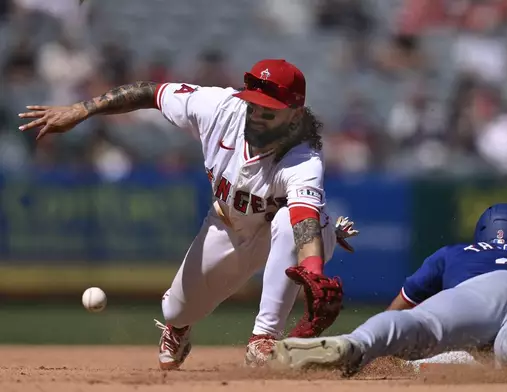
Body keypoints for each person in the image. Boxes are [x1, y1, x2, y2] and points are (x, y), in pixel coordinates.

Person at [18, 59, 359, 369]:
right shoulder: (217, 107)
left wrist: (313, 271)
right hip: (228, 225)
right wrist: (82, 109)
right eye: (253, 104)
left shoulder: (304, 157)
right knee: (176, 310)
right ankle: (179, 329)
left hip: (292, 232)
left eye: (268, 111)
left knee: (286, 222)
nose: (256, 115)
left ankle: (263, 339)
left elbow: (302, 219)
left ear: (295, 115)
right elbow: (151, 92)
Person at [268, 203, 507, 378]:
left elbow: (397, 311)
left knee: (422, 325)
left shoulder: (456, 253)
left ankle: (354, 344)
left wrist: (384, 349)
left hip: (475, 291)